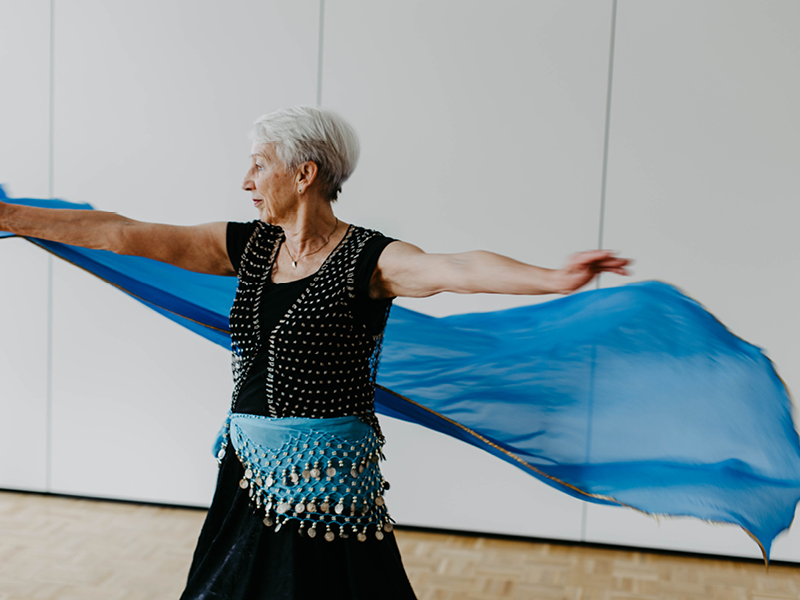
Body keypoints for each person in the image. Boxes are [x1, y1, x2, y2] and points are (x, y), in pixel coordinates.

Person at [0, 106, 629, 599]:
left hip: (328, 483)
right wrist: (11, 216)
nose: (246, 181)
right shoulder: (249, 246)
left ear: (304, 175)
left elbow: (456, 268)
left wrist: (553, 278)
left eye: (258, 165)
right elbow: (123, 233)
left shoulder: (371, 260)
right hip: (247, 471)